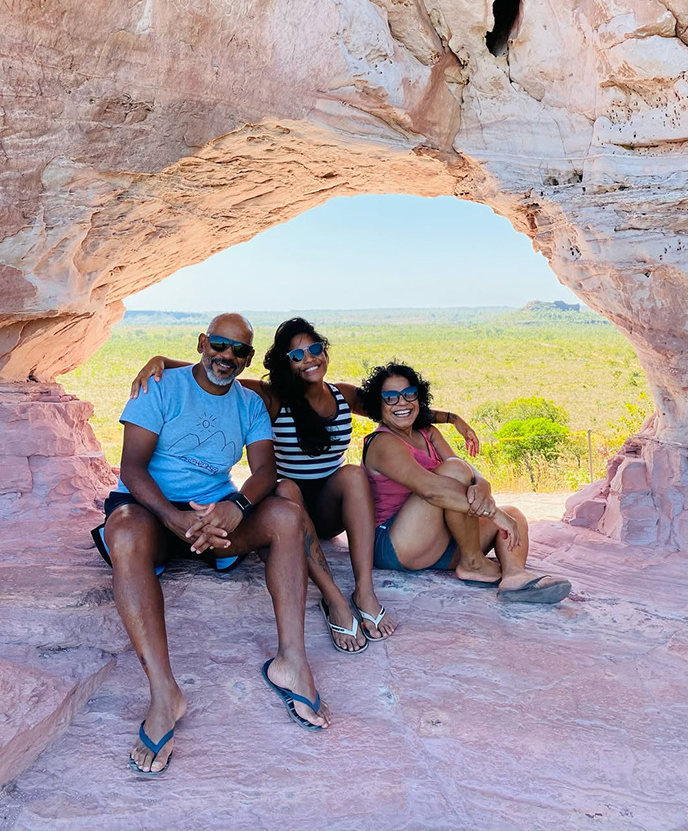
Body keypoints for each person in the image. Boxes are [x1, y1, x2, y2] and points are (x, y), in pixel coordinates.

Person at [131, 318, 479, 650]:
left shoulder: (342, 395)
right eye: (297, 355)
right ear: (287, 364)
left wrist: (453, 419)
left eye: (314, 349)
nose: (308, 359)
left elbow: (393, 406)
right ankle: (333, 599)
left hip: (329, 507)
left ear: (324, 351)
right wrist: (161, 360)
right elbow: (219, 370)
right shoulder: (272, 397)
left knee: (353, 474)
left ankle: (364, 591)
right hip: (290, 505)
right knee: (286, 488)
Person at [96, 314, 331, 778]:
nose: (227, 357)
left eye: (239, 351)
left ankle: (291, 662)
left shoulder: (248, 403)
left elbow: (264, 470)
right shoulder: (163, 386)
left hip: (218, 515)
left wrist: (238, 506)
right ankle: (165, 695)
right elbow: (133, 468)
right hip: (154, 511)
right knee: (121, 529)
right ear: (203, 342)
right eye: (219, 345)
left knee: (284, 515)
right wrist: (172, 516)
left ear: (248, 358)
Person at [359, 362, 572, 603]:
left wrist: (482, 482)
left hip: (435, 543)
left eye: (409, 394)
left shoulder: (427, 432)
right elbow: (431, 490)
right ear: (378, 403)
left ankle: (514, 577)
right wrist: (494, 514)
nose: (402, 403)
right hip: (398, 544)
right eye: (390, 397)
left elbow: (465, 467)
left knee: (514, 514)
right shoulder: (382, 443)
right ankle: (472, 561)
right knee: (456, 474)